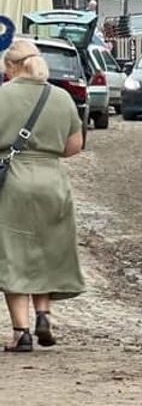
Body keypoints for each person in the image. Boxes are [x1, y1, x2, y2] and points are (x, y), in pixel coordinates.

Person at [0, 40, 85, 352]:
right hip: (52, 180)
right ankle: (44, 316)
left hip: (12, 182)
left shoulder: (2, 95)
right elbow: (74, 146)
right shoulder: (61, 97)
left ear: (10, 67)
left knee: (14, 253)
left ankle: (21, 332)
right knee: (46, 249)